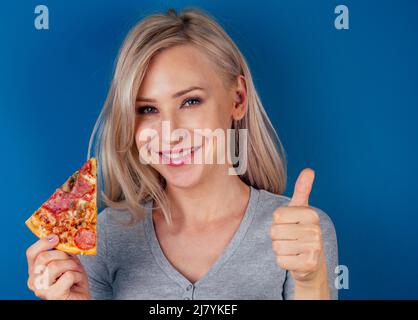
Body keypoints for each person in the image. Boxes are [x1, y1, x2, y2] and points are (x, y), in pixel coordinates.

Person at [26, 7, 338, 300]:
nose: (169, 132)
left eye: (190, 102)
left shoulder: (300, 231)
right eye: (147, 109)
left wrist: (312, 283)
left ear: (238, 99)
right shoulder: (108, 235)